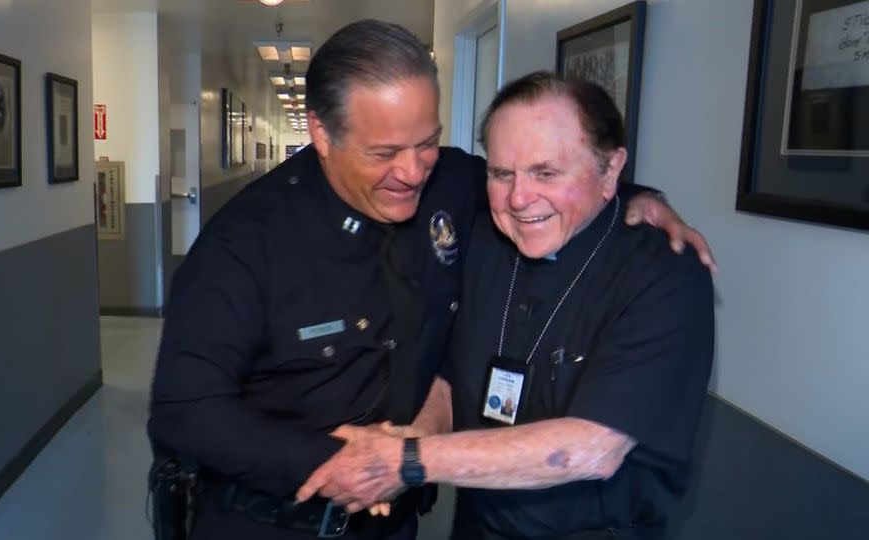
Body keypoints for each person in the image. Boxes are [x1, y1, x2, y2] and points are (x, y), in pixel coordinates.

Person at [149, 20, 714, 540]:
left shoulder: (455, 186)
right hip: (273, 521)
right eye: (384, 152)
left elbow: (558, 181)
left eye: (426, 143)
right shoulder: (243, 243)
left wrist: (645, 200)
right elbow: (184, 409)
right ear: (321, 133)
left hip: (398, 522)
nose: (412, 171)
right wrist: (334, 462)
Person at [295, 73, 715, 540]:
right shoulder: (481, 243)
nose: (519, 198)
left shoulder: (664, 272)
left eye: (546, 173)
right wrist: (415, 437)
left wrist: (406, 461)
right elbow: (451, 376)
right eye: (501, 174)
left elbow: (593, 449)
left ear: (611, 170)